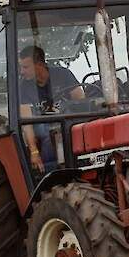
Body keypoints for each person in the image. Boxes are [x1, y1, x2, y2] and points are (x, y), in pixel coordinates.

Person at [18, 46, 85, 174]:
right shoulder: (24, 87)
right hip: (43, 126)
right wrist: (34, 152)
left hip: (68, 122)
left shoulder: (63, 75)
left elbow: (80, 101)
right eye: (21, 67)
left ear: (39, 65)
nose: (22, 71)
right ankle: (51, 173)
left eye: (25, 67)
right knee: (47, 134)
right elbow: (27, 123)